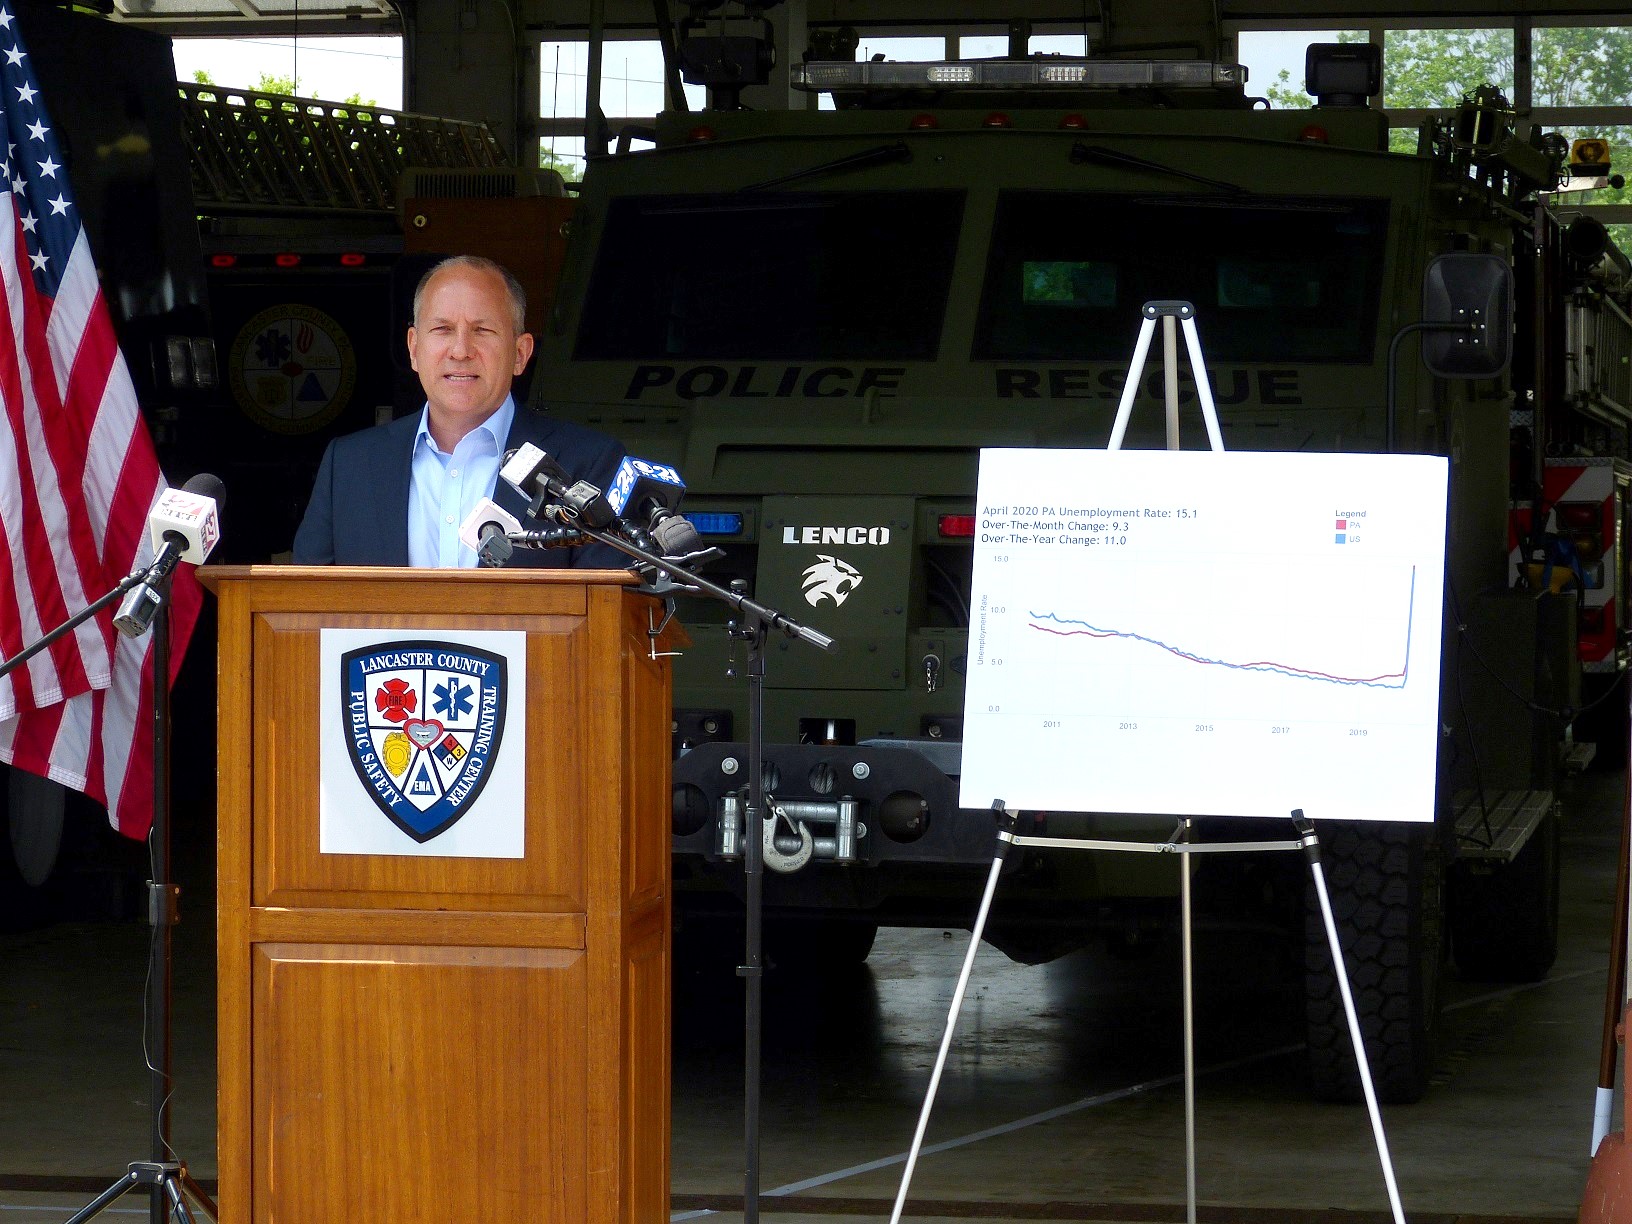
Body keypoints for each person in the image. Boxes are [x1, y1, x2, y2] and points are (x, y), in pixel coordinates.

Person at [292, 254, 628, 569]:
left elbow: (607, 613)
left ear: (520, 354)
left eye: (482, 330)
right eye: (442, 329)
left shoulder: (591, 463)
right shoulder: (349, 464)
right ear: (413, 348)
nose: (461, 350)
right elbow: (300, 606)